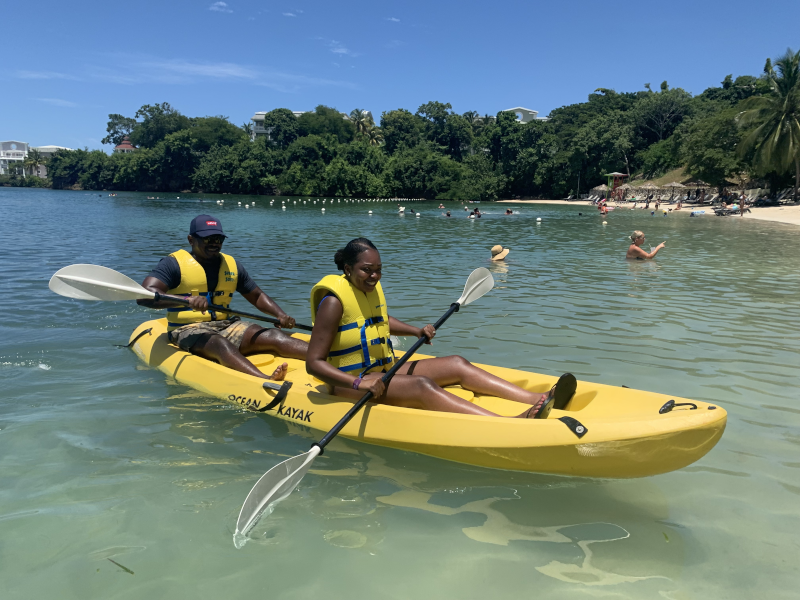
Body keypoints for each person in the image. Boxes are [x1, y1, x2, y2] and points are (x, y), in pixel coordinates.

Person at [306, 238, 577, 419]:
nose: (374, 276)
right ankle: (506, 422)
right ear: (347, 268)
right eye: (367, 270)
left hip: (383, 370)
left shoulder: (367, 289)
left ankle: (539, 397)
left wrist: (415, 331)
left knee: (457, 363)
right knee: (422, 385)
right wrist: (357, 381)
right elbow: (313, 363)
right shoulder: (332, 303)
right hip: (350, 384)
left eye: (378, 269)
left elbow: (379, 322)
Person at [137, 215, 307, 381]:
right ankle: (264, 380)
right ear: (191, 240)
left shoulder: (232, 265)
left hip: (226, 325)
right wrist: (186, 299)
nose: (214, 243)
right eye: (207, 239)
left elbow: (257, 296)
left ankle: (325, 360)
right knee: (220, 344)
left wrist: (280, 314)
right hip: (186, 329)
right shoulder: (172, 264)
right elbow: (144, 295)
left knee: (274, 335)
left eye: (218, 239)